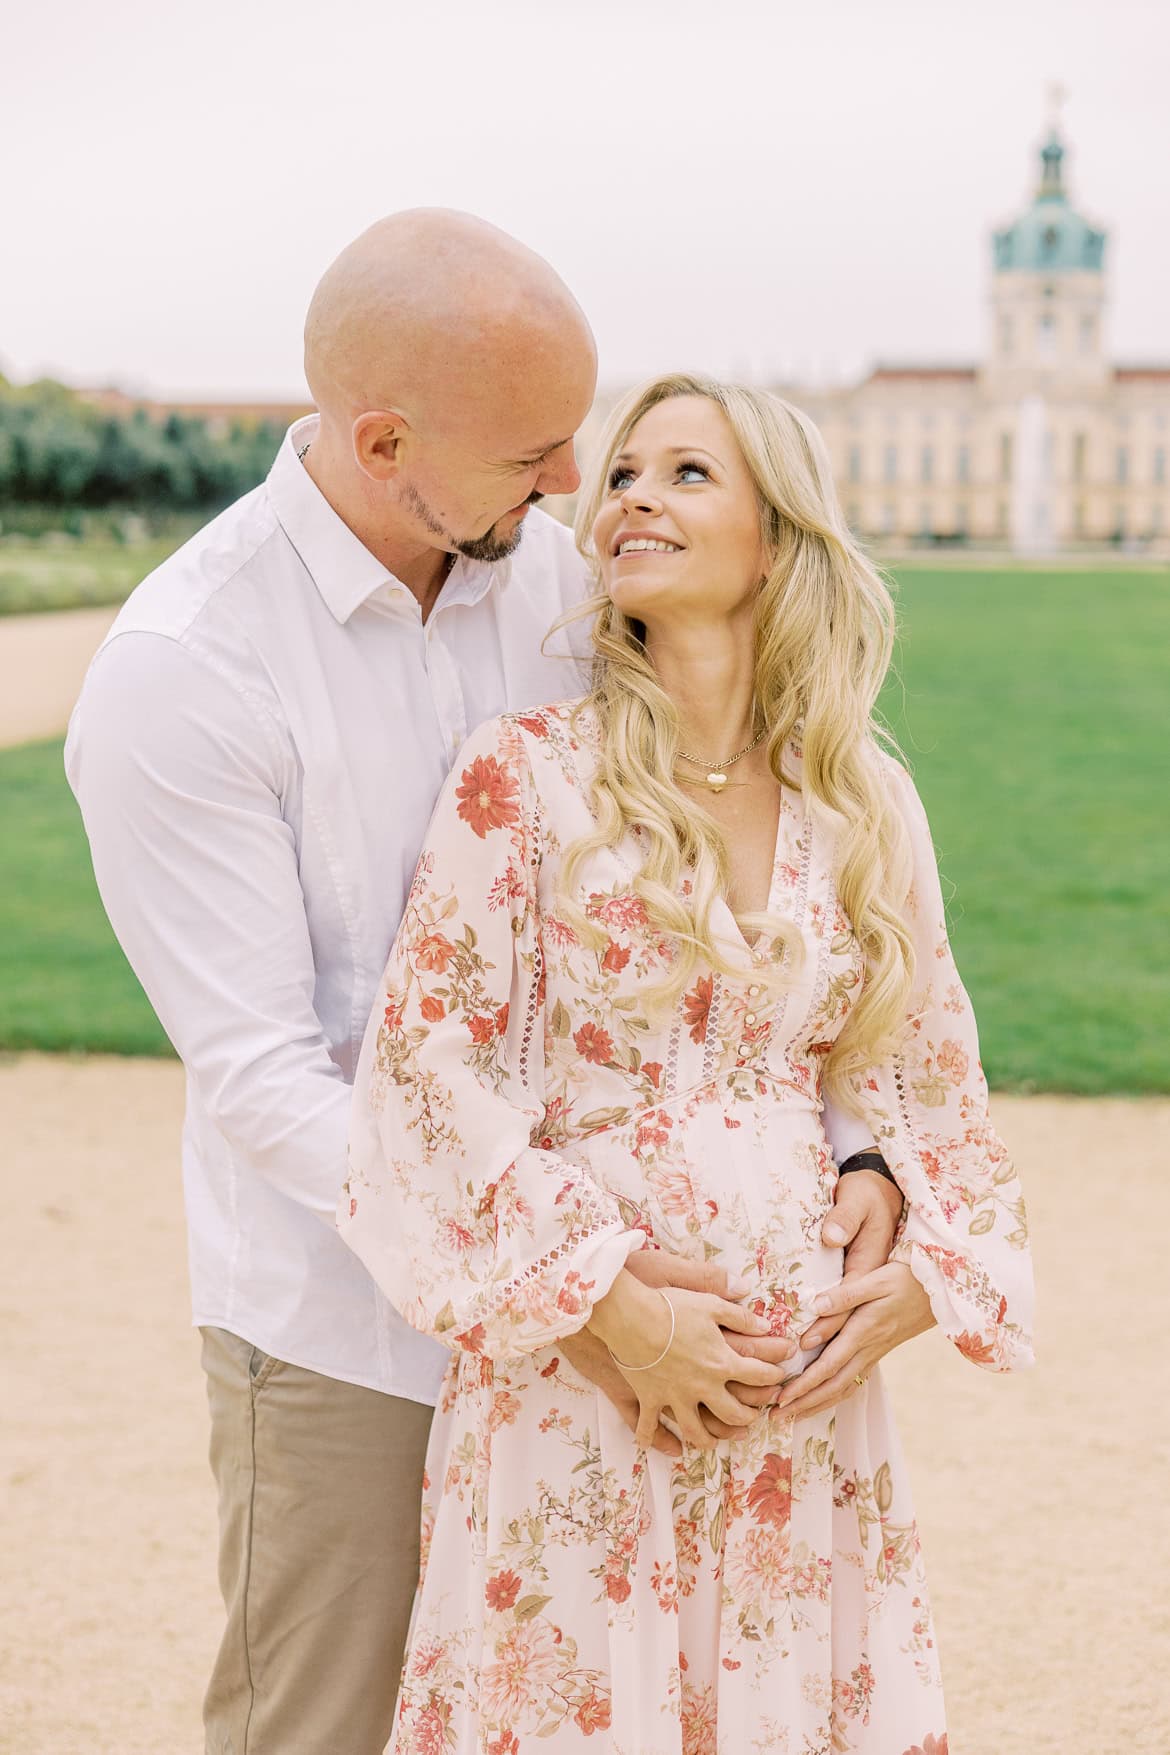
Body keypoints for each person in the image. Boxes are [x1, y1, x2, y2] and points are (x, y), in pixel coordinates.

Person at [64, 217, 905, 1755]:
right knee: (323, 1725)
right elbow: (266, 1074)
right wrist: (569, 1289)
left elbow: (747, 884)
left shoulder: (557, 586)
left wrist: (852, 1140)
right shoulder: (185, 672)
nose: (577, 484)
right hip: (355, 1328)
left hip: (633, 1314)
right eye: (533, 449)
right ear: (384, 444)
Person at [341, 373, 1035, 1753]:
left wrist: (922, 1272)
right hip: (587, 1387)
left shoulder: (858, 801)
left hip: (799, 1419)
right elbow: (428, 1071)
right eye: (625, 474)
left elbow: (921, 1064)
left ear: (776, 538)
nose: (635, 496)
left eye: (687, 474)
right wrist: (596, 1295)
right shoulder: (523, 778)